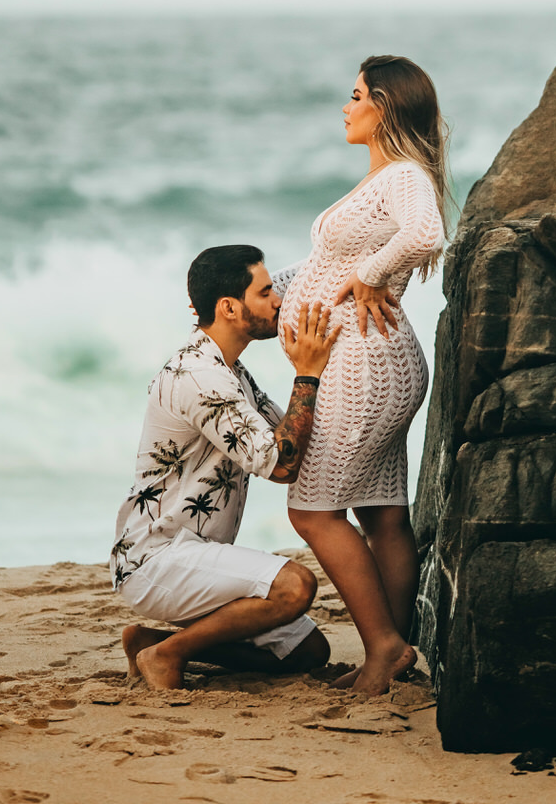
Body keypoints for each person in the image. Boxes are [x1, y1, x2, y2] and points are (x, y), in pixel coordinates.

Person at [275, 54, 448, 695]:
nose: (345, 107)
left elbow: (427, 234)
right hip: (373, 361)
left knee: (313, 511)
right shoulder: (381, 179)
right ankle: (396, 649)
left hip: (366, 366)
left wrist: (372, 274)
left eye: (355, 96)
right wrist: (262, 296)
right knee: (381, 515)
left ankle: (382, 649)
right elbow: (328, 263)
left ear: (385, 106)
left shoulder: (403, 174)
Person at [111, 243, 339, 690]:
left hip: (192, 553)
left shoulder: (231, 370)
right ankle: (167, 654)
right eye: (267, 292)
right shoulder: (201, 377)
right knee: (294, 587)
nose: (280, 301)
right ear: (230, 307)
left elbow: (288, 433)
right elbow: (281, 464)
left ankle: (149, 641)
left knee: (308, 653)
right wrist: (307, 372)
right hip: (156, 557)